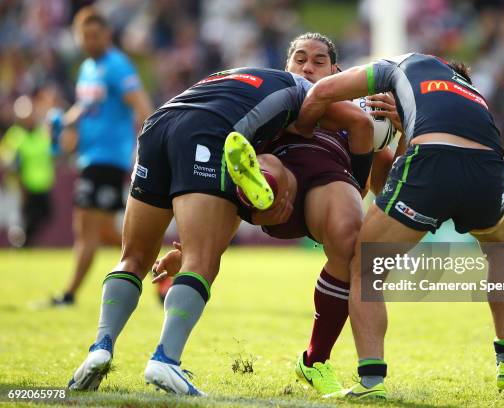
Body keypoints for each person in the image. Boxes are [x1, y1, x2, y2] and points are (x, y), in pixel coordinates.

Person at [67, 64, 373, 396]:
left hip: (159, 124)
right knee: (204, 260)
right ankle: (165, 359)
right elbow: (356, 121)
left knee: (134, 257)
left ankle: (100, 347)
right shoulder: (308, 91)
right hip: (210, 132)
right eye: (302, 58)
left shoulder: (240, 75)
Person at [153, 32, 402, 396]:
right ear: (286, 67)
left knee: (350, 246)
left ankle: (314, 361)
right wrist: (190, 248)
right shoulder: (272, 100)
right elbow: (220, 199)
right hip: (278, 183)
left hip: (330, 181)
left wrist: (403, 127)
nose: (307, 66)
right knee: (264, 168)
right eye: (299, 59)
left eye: (319, 61)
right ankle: (262, 189)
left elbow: (386, 182)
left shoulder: (363, 112)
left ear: (337, 70)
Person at [296, 53, 504, 399]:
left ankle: (371, 381)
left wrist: (298, 128)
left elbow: (322, 92)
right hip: (489, 165)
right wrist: (406, 124)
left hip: (432, 160)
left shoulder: (401, 65)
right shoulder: (473, 94)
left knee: (366, 266)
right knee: (500, 247)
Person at [51, 7, 152, 306]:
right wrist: (65, 121)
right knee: (102, 230)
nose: (89, 42)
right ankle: (158, 263)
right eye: (84, 36)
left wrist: (146, 150)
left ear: (107, 35)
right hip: (89, 157)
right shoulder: (87, 68)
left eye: (95, 35)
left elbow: (143, 108)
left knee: (87, 228)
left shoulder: (118, 66)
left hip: (108, 157)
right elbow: (86, 106)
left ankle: (69, 294)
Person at [0, 92, 55, 247]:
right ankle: (22, 243)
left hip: (42, 184)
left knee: (44, 215)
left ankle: (23, 243)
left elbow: (50, 152)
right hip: (23, 186)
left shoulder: (42, 132)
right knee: (23, 218)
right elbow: (7, 160)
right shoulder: (15, 135)